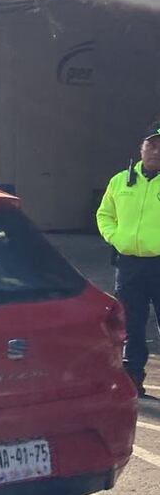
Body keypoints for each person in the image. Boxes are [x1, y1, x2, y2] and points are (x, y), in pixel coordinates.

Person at [97, 121, 160, 397]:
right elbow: (104, 214)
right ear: (141, 148)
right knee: (131, 323)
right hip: (129, 265)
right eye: (151, 145)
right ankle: (133, 375)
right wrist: (116, 238)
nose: (156, 151)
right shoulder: (120, 181)